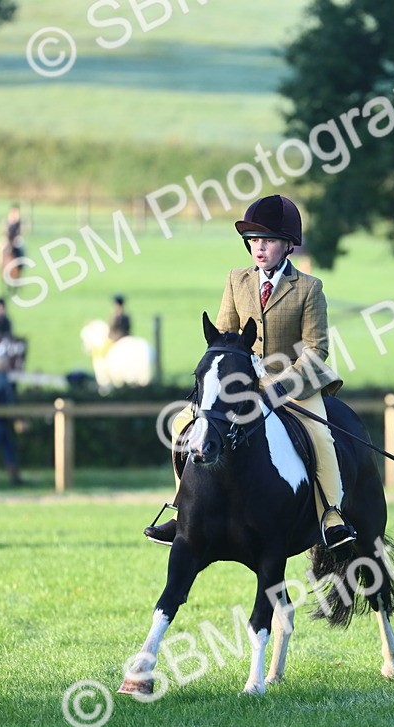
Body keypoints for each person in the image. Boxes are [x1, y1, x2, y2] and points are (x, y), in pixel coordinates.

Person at [144, 194, 354, 549]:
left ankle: (330, 515)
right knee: (184, 425)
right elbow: (224, 338)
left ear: (288, 246)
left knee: (322, 438)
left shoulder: (308, 288)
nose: (259, 248)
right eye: (254, 241)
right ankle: (181, 506)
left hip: (294, 384)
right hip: (241, 385)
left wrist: (278, 386)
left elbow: (317, 351)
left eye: (268, 240)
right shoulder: (235, 280)